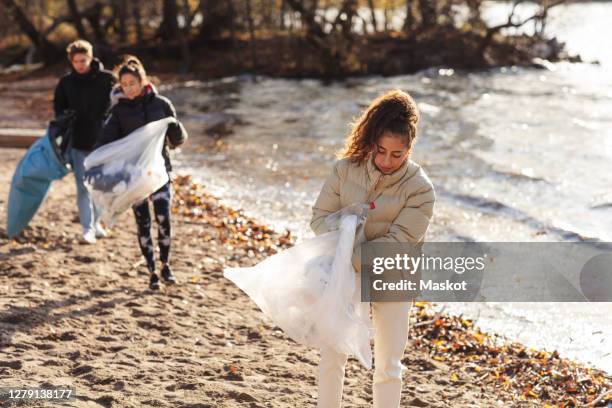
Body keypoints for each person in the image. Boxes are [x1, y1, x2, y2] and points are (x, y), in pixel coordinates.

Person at [310, 89, 435, 408]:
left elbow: (399, 245)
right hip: (343, 276)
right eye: (381, 151)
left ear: (410, 148)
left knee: (389, 366)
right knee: (333, 355)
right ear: (371, 140)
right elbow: (320, 219)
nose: (386, 161)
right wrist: (344, 231)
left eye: (398, 154)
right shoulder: (344, 169)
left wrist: (347, 252)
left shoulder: (420, 189)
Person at [96, 56, 187, 290]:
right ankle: (152, 271)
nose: (128, 89)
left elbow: (177, 141)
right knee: (143, 223)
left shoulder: (162, 104)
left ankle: (166, 265)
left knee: (164, 218)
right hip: (133, 178)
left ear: (142, 80)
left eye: (132, 84)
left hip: (160, 173)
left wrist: (176, 128)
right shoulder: (118, 112)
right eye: (124, 85)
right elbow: (105, 143)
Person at [53, 39, 116, 244]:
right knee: (83, 187)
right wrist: (67, 118)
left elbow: (120, 104)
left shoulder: (107, 79)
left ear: (91, 57)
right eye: (76, 61)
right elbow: (59, 110)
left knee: (101, 187)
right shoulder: (66, 83)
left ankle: (96, 223)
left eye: (84, 60)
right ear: (71, 61)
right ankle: (87, 230)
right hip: (78, 142)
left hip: (104, 142)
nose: (80, 64)